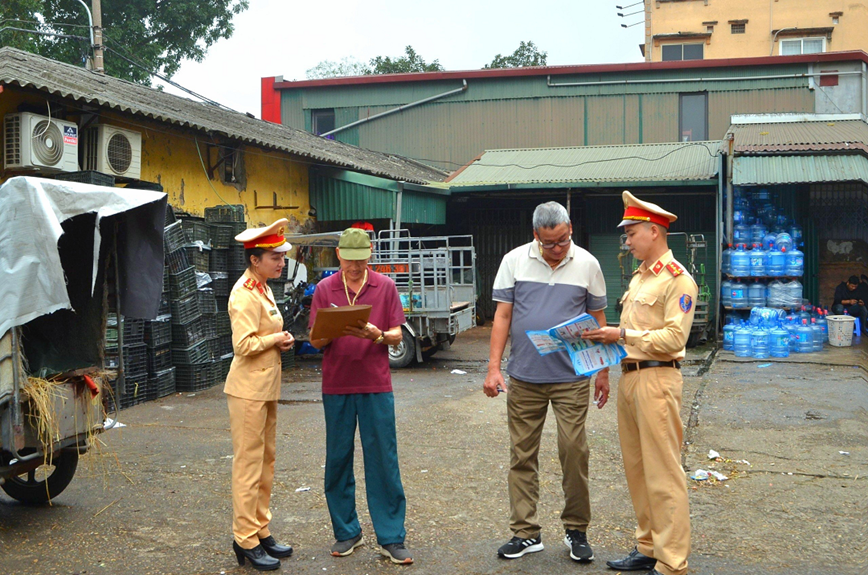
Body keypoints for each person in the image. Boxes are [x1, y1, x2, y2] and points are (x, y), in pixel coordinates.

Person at [483, 201, 610, 563]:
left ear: (570, 229)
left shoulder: (587, 263)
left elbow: (599, 318)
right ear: (535, 236)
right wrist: (494, 368)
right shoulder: (514, 261)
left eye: (563, 240)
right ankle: (525, 533)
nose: (558, 249)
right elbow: (503, 316)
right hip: (524, 377)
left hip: (571, 376)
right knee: (521, 455)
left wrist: (602, 371)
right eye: (549, 243)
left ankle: (576, 529)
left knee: (574, 452)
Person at [582, 191, 697, 575]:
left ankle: (671, 561)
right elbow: (627, 334)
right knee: (637, 469)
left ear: (653, 231)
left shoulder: (678, 281)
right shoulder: (639, 278)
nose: (627, 241)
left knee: (663, 473)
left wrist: (620, 334)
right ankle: (648, 546)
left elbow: (673, 340)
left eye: (631, 233)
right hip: (631, 378)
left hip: (658, 380)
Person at [308, 227, 414, 565]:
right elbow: (314, 339)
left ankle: (391, 536)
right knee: (338, 459)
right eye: (350, 261)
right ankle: (347, 531)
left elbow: (397, 335)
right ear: (339, 255)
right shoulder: (325, 289)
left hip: (375, 384)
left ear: (370, 256)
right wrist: (329, 331)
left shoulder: (385, 286)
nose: (355, 267)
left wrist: (378, 334)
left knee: (383, 458)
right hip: (336, 384)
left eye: (362, 260)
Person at [225, 218, 296, 571]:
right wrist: (275, 339)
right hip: (247, 390)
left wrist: (278, 340)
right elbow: (243, 345)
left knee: (265, 462)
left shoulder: (263, 288)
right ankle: (244, 539)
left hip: (265, 388)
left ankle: (261, 529)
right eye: (275, 257)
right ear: (255, 259)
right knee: (248, 465)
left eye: (282, 256)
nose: (281, 262)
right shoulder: (243, 293)